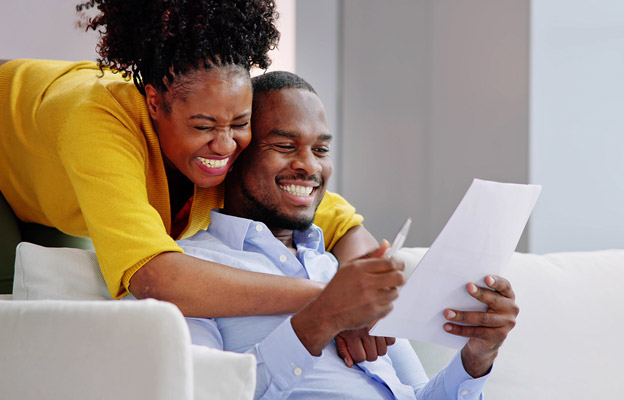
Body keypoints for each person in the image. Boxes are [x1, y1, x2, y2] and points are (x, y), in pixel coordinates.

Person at [0, 0, 381, 336]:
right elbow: (155, 279)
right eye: (202, 125)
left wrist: (368, 304)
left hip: (47, 157)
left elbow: (338, 220)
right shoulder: (98, 128)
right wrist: (325, 297)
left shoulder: (231, 141)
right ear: (154, 102)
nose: (224, 144)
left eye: (239, 122)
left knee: (69, 315)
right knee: (13, 324)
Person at [180, 71, 519, 399]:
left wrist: (476, 357)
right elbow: (202, 393)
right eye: (285, 145)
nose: (310, 167)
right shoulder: (191, 271)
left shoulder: (337, 268)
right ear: (235, 154)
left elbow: (417, 393)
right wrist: (323, 317)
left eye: (321, 150)